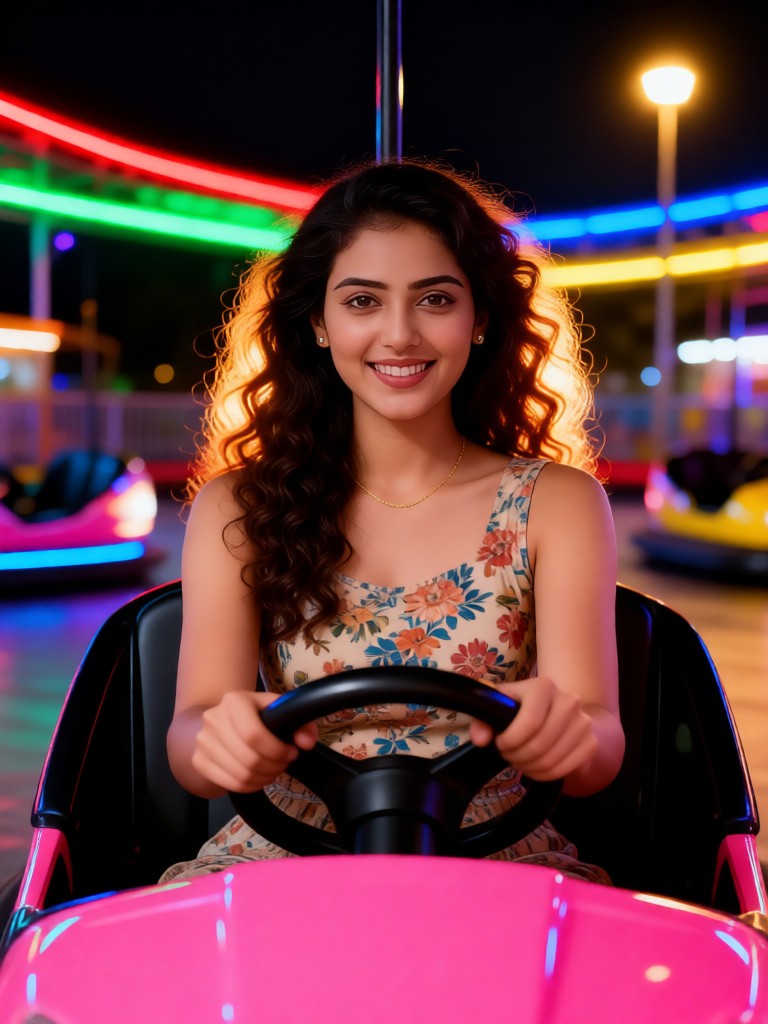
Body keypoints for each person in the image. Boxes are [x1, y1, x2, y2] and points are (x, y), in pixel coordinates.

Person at [161, 159, 625, 883]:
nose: (400, 334)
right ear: (318, 322)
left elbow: (598, 747)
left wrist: (562, 732)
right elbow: (190, 741)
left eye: (436, 299)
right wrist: (220, 740)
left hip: (494, 861)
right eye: (363, 302)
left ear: (479, 321)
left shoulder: (557, 503)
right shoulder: (238, 506)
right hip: (285, 861)